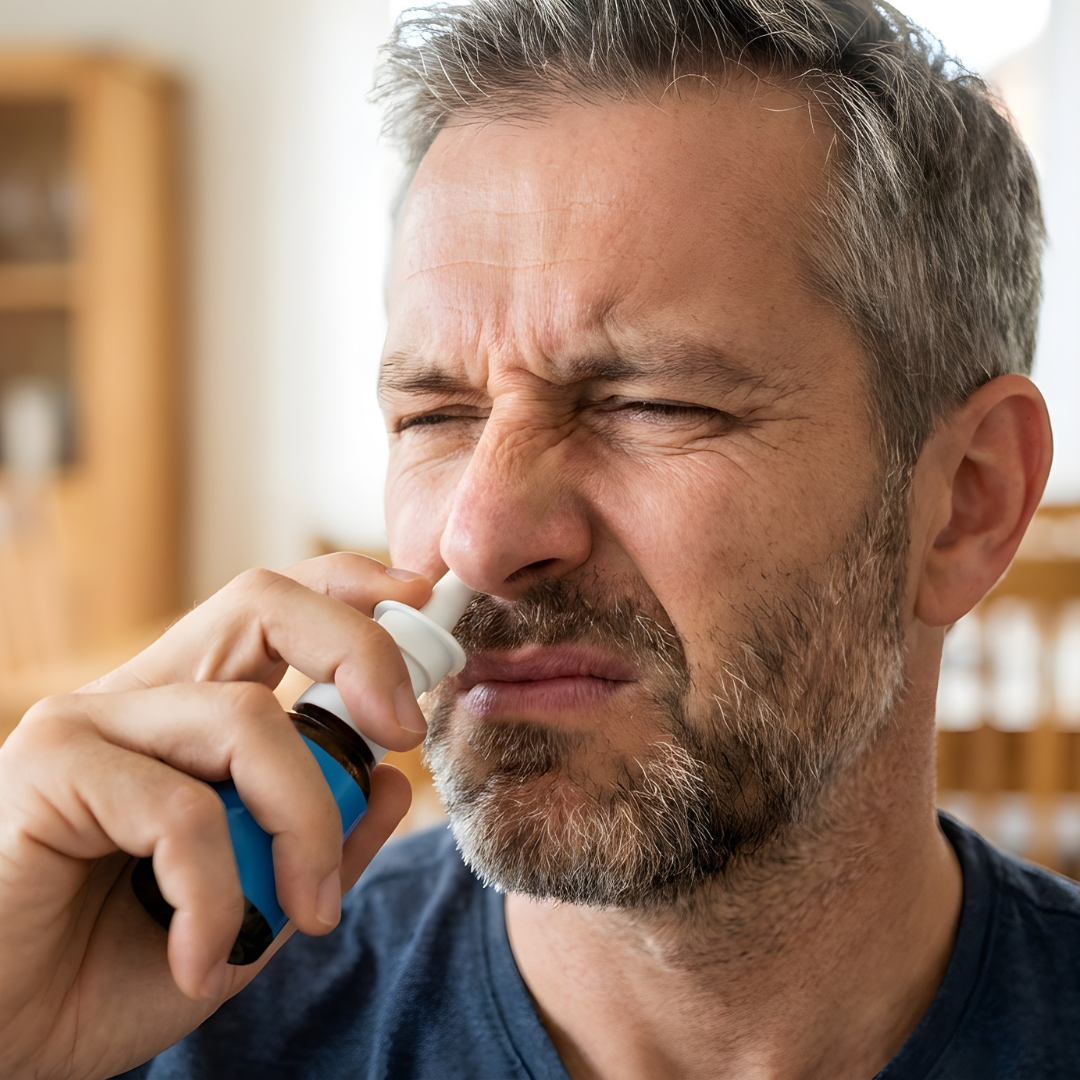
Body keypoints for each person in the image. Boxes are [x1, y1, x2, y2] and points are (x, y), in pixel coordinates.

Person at [1, 0, 1076, 1076]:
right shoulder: (169, 1020)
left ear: (967, 501)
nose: (479, 538)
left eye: (651, 404)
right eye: (435, 416)